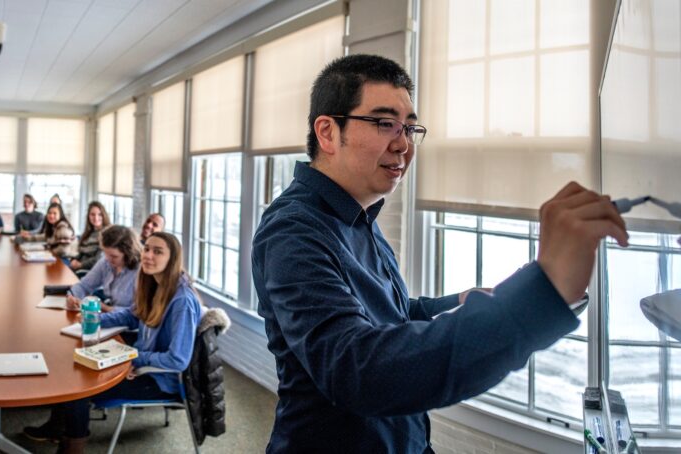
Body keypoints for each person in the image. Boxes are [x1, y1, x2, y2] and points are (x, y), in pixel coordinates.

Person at [252, 54, 629, 453]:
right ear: (328, 133)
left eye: (411, 127)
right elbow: (356, 370)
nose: (404, 144)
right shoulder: (292, 231)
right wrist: (540, 294)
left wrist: (456, 303)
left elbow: (392, 316)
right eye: (385, 123)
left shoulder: (361, 216)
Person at [23, 232, 202, 452]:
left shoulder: (182, 300)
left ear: (173, 259)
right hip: (141, 363)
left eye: (158, 252)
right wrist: (96, 319)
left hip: (158, 379)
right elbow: (131, 315)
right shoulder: (155, 285)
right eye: (147, 249)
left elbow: (178, 359)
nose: (148, 256)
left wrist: (134, 359)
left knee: (79, 388)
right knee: (74, 368)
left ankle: (72, 448)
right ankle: (57, 429)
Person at [65, 225, 141, 313]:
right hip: (110, 317)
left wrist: (106, 308)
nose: (108, 259)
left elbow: (138, 312)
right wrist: (72, 297)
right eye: (105, 253)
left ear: (128, 253)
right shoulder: (105, 261)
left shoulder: (139, 271)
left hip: (128, 323)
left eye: (114, 256)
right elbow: (84, 285)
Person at [69, 201, 110, 272]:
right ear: (88, 216)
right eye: (92, 214)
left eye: (100, 214)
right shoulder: (88, 233)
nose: (96, 218)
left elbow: (98, 259)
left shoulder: (106, 234)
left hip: (90, 271)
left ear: (104, 215)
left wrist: (80, 264)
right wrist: (74, 260)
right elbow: (81, 253)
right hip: (78, 267)